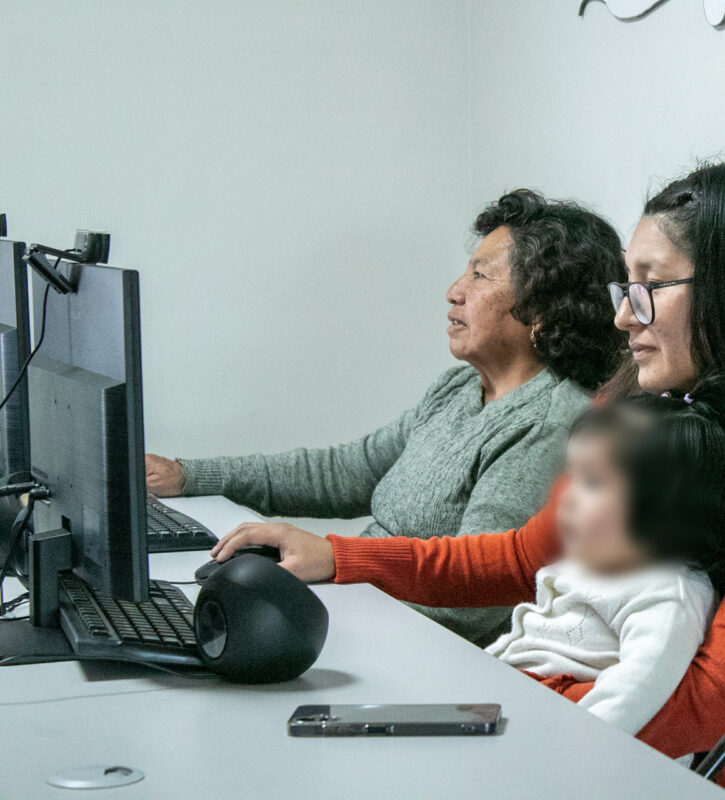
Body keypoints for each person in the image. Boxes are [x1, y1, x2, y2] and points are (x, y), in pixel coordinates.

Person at [211, 161, 725, 800]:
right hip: (596, 746)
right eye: (626, 287)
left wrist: (487, 719)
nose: (625, 315)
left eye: (650, 286)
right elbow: (529, 556)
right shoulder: (637, 407)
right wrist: (340, 557)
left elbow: (703, 709)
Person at [151, 189, 625, 647]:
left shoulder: (548, 425)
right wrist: (189, 476)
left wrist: (329, 574)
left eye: (480, 276)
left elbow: (473, 600)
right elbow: (344, 473)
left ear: (541, 308)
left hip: (410, 651)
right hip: (356, 615)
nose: (454, 291)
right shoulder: (458, 389)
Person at [486, 382, 725, 736]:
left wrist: (575, 748)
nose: (568, 497)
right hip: (514, 705)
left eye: (591, 482)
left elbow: (638, 688)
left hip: (570, 743)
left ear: (658, 505)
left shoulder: (669, 588)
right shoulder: (598, 558)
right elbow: (526, 641)